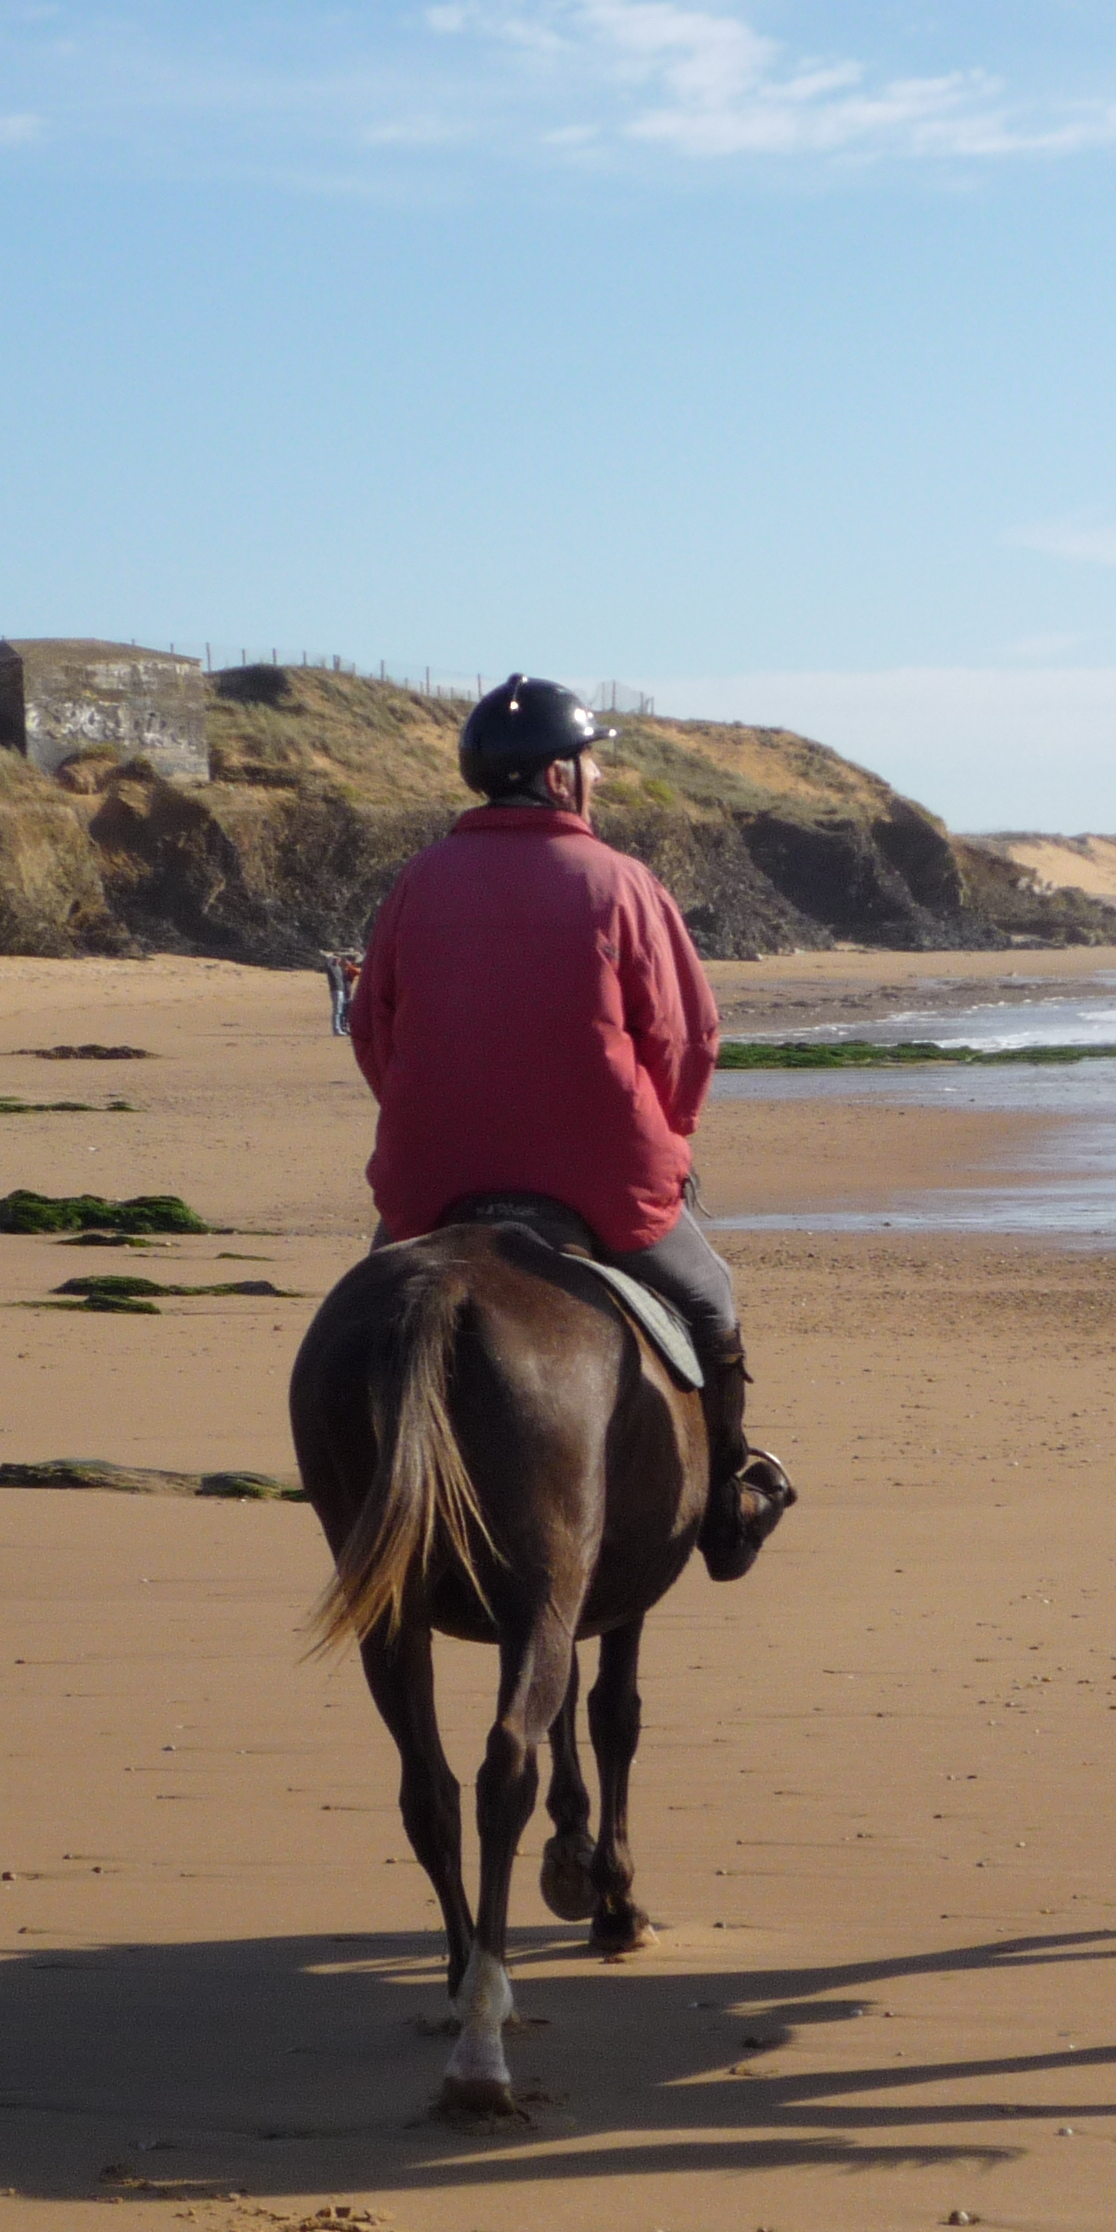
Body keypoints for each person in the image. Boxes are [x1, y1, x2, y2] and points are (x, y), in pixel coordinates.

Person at [347, 674, 793, 1579]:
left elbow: (374, 1029)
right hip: (599, 1173)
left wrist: (429, 1115)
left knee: (367, 1317)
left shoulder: (417, 882)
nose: (596, 777)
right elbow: (684, 1034)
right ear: (558, 779)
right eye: (590, 762)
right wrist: (666, 1138)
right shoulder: (621, 881)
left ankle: (357, 1495)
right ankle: (723, 1510)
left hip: (437, 1174)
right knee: (710, 1299)